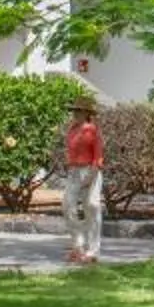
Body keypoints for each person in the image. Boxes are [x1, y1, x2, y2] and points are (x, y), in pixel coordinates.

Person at [62, 99, 105, 264]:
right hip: (74, 171)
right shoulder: (72, 130)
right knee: (67, 206)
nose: (76, 114)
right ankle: (77, 246)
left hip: (90, 170)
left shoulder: (92, 130)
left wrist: (92, 175)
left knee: (92, 207)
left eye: (79, 111)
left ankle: (93, 251)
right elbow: (71, 151)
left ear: (87, 114)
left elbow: (98, 155)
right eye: (74, 111)